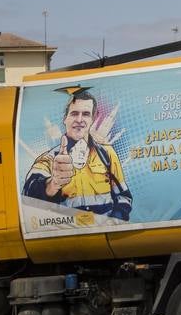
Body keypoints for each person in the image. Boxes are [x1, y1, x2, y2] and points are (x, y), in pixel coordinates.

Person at [22, 87, 133, 220]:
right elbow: (29, 192)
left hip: (105, 235)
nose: (79, 120)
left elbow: (123, 196)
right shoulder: (50, 159)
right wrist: (53, 184)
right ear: (65, 119)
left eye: (86, 114)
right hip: (69, 235)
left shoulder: (107, 153)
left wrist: (115, 220)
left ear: (92, 119)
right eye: (74, 113)